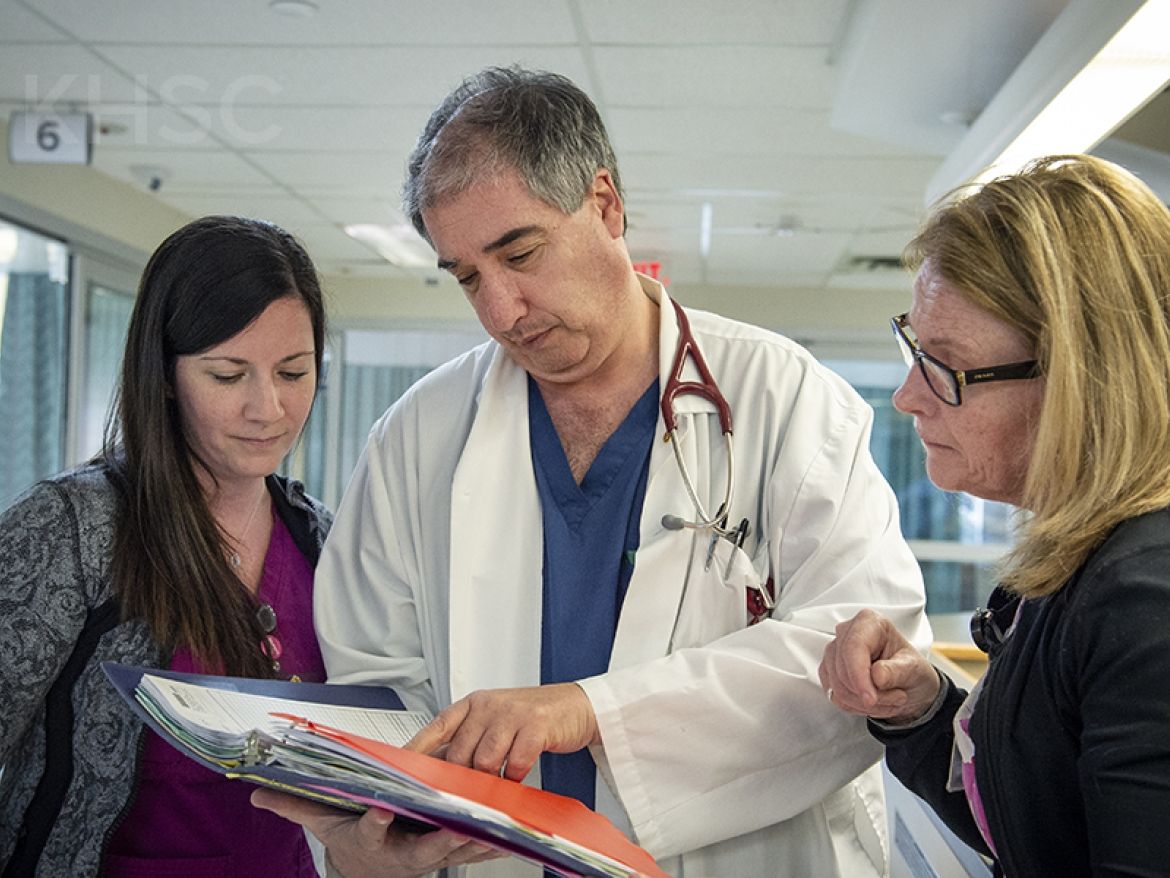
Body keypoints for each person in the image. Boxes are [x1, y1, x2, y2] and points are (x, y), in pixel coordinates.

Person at [255, 66, 929, 877]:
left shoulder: (785, 400)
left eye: (520, 252)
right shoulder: (417, 436)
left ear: (605, 205)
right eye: (466, 277)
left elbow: (864, 656)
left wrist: (589, 711)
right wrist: (372, 832)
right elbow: (375, 678)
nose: (500, 309)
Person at [818, 154, 1170, 876]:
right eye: (914, 347)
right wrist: (921, 709)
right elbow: (1034, 821)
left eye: (945, 365)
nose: (908, 397)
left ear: (1081, 379)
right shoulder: (1079, 564)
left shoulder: (1146, 597)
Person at [0, 215, 333, 876]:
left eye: (293, 372)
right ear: (164, 375)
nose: (268, 408)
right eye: (228, 375)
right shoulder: (72, 529)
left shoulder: (321, 539)